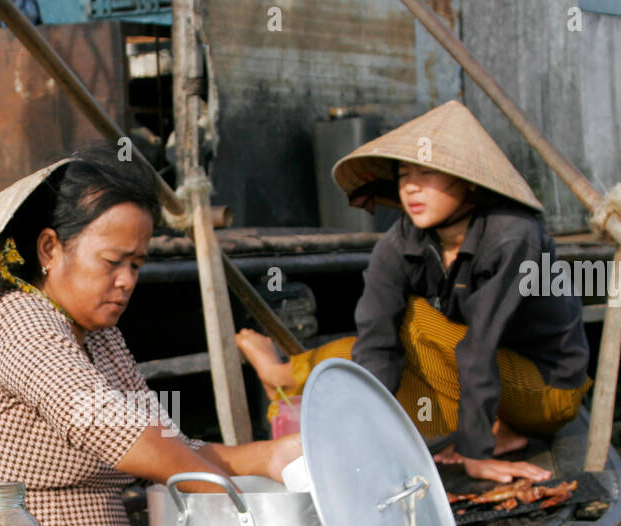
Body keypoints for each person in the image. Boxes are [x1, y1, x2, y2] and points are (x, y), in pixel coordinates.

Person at [0, 144, 300, 526]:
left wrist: (271, 456)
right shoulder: (19, 318)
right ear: (51, 249)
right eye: (112, 262)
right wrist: (234, 500)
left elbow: (165, 445)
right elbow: (101, 422)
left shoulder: (102, 337)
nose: (126, 281)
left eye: (136, 265)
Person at [236, 101, 591, 484]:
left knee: (416, 320)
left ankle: (490, 430)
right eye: (404, 175)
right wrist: (368, 440)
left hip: (547, 392)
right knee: (364, 350)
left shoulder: (512, 237)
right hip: (470, 381)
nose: (411, 187)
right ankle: (283, 374)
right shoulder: (400, 243)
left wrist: (475, 453)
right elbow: (376, 348)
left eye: (427, 173)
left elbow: (479, 347)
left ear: (469, 181)